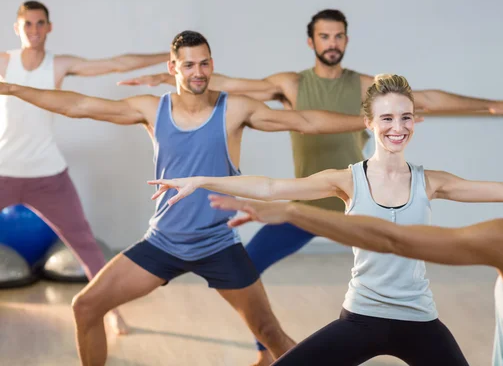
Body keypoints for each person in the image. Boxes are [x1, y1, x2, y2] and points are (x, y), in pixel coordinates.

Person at [121, 9, 503, 359]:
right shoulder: (292, 84)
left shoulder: (366, 86)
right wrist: (171, 75)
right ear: (311, 41)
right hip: (320, 199)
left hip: (367, 204)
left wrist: (486, 104)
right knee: (249, 266)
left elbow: (430, 99)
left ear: (346, 40)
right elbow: (225, 87)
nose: (332, 43)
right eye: (324, 36)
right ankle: (269, 349)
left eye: (338, 36)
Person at [150, 74, 503, 365]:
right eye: (386, 118)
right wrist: (203, 179)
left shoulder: (430, 181)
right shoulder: (346, 180)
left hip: (419, 319)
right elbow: (269, 187)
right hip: (360, 315)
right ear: (368, 123)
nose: (397, 127)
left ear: (415, 120)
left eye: (405, 117)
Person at [0, 29, 373, 366]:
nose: (199, 71)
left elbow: (305, 121)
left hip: (218, 244)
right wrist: (14, 89)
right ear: (172, 68)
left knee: (270, 333)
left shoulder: (235, 109)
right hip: (164, 241)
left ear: (213, 64)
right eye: (190, 64)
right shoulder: (151, 109)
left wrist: (369, 121)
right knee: (85, 307)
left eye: (205, 62)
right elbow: (78, 106)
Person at [0, 0, 170, 335]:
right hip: (4, 170)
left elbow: (116, 63)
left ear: (49, 27)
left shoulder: (58, 65)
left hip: (48, 174)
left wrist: (168, 55)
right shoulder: (4, 62)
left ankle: (112, 312)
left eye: (40, 23)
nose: (34, 30)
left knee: (85, 245)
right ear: (17, 28)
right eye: (28, 24)